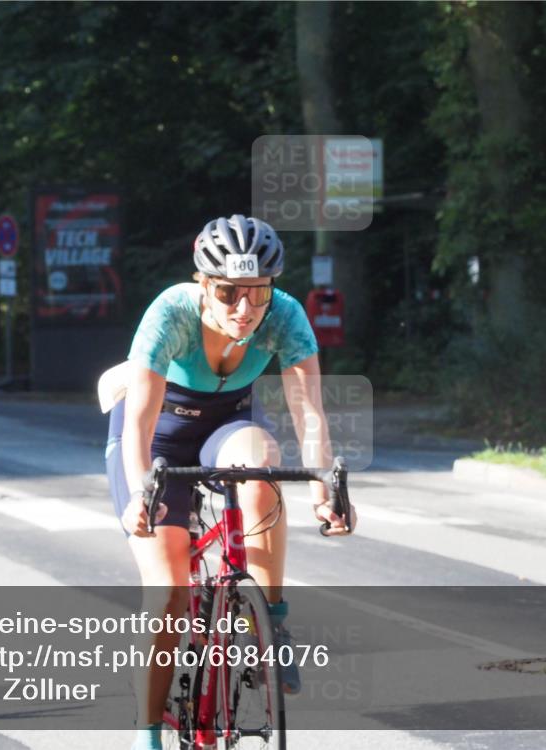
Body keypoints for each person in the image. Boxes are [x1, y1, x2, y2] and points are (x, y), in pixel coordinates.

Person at [105, 214, 354, 750]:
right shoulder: (169, 314)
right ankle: (146, 734)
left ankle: (273, 624)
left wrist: (323, 495)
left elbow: (309, 414)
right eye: (228, 292)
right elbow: (138, 426)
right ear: (203, 284)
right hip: (157, 442)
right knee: (168, 592)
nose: (244, 310)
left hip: (227, 425)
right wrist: (141, 495)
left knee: (262, 460)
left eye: (258, 293)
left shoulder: (284, 317)